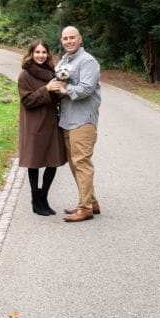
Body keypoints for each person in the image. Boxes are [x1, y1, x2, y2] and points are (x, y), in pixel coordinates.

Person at [46, 26, 102, 222]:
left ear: (80, 39)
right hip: (67, 120)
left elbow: (87, 88)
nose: (69, 41)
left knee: (82, 163)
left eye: (72, 37)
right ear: (62, 41)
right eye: (65, 38)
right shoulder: (63, 61)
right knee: (75, 164)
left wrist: (65, 90)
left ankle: (85, 208)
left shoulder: (88, 61)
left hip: (82, 120)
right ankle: (91, 202)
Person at [17, 39, 67, 216]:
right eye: (37, 52)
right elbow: (27, 100)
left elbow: (55, 98)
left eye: (43, 52)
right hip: (34, 124)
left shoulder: (52, 73)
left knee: (53, 161)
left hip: (51, 122)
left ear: (48, 54)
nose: (40, 55)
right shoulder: (25, 75)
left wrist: (61, 91)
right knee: (34, 162)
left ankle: (43, 197)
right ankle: (35, 199)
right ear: (31, 54)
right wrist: (46, 89)